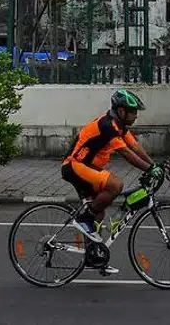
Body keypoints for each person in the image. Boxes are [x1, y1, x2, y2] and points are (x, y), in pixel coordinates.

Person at [62, 89, 161, 275]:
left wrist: (154, 165)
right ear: (122, 111)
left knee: (98, 214)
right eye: (133, 111)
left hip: (86, 167)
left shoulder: (119, 127)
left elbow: (134, 146)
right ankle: (82, 219)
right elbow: (126, 153)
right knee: (116, 185)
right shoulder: (107, 126)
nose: (136, 116)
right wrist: (149, 170)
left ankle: (94, 256)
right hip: (75, 166)